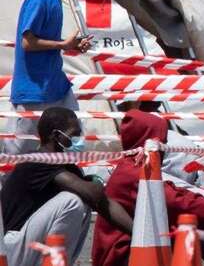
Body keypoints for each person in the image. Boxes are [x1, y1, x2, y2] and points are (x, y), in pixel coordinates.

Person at [92, 109, 204, 266]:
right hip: (124, 256)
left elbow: (181, 195)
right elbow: (181, 202)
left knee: (198, 223)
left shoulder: (134, 168)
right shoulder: (136, 174)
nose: (165, 148)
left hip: (134, 248)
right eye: (162, 142)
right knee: (196, 225)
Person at [2, 107, 133, 266]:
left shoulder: (65, 166)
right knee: (72, 201)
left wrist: (138, 233)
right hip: (14, 249)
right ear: (56, 136)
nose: (79, 139)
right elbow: (93, 193)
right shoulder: (38, 160)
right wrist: (96, 182)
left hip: (29, 245)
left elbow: (104, 203)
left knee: (83, 202)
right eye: (74, 135)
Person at [6, 0, 92, 154]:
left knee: (73, 138)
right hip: (33, 91)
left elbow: (43, 41)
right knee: (18, 152)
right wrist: (63, 45)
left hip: (55, 86)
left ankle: (72, 177)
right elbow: (28, 42)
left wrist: (71, 45)